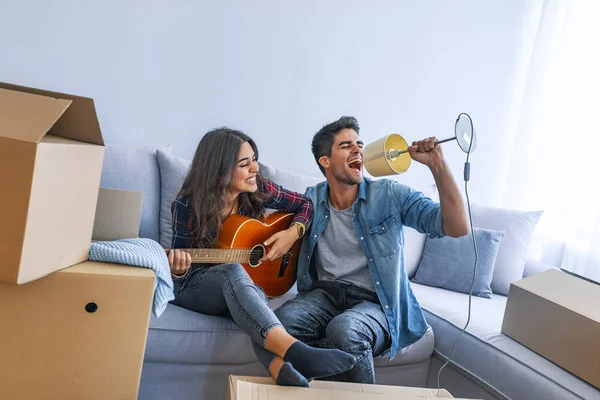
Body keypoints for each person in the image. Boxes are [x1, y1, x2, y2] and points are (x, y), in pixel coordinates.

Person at [266, 116, 470, 383]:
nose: (358, 150)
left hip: (376, 302)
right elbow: (270, 201)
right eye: (346, 145)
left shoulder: (390, 195)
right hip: (325, 296)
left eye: (359, 144)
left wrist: (437, 165)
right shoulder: (312, 199)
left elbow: (457, 227)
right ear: (325, 161)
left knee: (346, 329)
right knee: (281, 323)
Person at [167, 127, 356, 387]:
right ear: (219, 170)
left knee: (252, 294)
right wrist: (178, 269)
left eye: (254, 159)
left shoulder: (256, 188)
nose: (255, 168)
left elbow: (306, 205)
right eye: (245, 164)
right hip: (195, 287)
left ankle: (281, 370)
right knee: (232, 271)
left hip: (235, 287)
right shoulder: (187, 206)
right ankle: (297, 351)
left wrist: (292, 233)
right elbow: (181, 277)